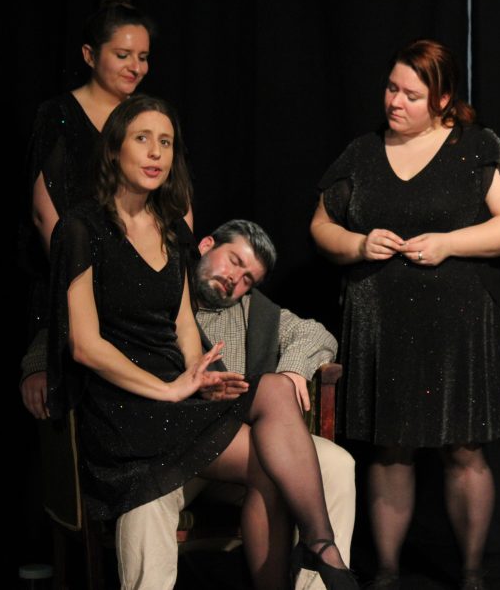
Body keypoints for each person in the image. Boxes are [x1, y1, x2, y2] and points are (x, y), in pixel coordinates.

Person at [48, 94, 357, 590]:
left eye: (166, 142)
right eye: (143, 139)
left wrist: (199, 374)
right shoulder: (80, 228)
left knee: (275, 401)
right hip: (123, 412)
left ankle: (321, 549)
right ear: (115, 148)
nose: (156, 152)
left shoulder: (172, 230)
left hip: (178, 405)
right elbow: (83, 344)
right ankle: (324, 549)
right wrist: (169, 388)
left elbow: (183, 326)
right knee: (269, 452)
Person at [309, 39, 500, 590]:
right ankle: (387, 572)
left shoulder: (474, 147)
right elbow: (320, 226)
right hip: (383, 326)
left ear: (441, 99)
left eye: (411, 95)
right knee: (391, 451)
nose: (395, 102)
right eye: (391, 88)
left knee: (464, 450)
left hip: (458, 326)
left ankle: (472, 573)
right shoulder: (363, 153)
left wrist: (449, 243)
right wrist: (358, 244)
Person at [116, 219, 356, 590]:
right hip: (170, 450)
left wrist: (293, 369)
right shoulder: (158, 288)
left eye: (248, 279)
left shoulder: (252, 312)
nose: (235, 280)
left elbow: (316, 334)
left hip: (239, 451)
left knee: (337, 463)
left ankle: (320, 577)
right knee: (145, 498)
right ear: (206, 245)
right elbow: (78, 323)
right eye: (234, 261)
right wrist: (36, 366)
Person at [20, 0, 185, 418]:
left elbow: (178, 207)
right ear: (90, 55)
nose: (136, 67)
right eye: (123, 55)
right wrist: (99, 280)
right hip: (75, 282)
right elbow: (46, 215)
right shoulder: (59, 114)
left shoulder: (148, 118)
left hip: (143, 292)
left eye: (143, 57)